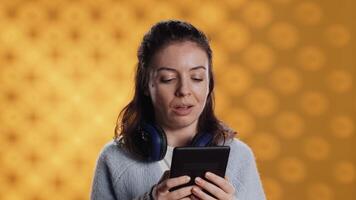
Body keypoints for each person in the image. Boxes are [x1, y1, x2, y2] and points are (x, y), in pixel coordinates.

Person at [91, 20, 266, 200]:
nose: (184, 90)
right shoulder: (114, 158)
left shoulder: (240, 157)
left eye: (196, 78)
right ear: (145, 84)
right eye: (168, 79)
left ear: (209, 83)